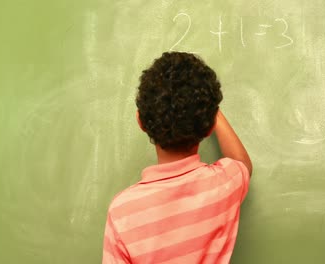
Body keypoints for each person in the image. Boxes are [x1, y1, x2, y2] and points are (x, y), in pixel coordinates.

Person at [102, 52, 252, 264]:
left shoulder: (122, 212)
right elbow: (242, 161)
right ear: (209, 127)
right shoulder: (223, 184)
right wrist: (208, 110)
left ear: (141, 122)